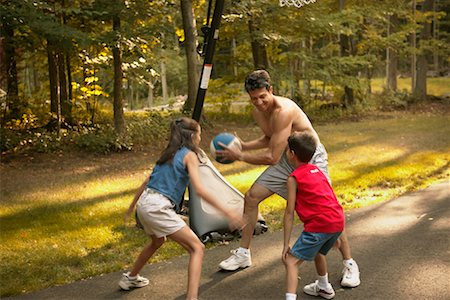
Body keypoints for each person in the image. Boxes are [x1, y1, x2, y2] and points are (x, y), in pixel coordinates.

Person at [217, 70, 360, 288]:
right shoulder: (258, 111)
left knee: (325, 210)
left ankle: (349, 263)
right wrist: (243, 145)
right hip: (286, 157)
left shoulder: (284, 110)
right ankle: (243, 253)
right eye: (253, 98)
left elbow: (271, 156)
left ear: (271, 90)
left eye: (262, 96)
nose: (259, 102)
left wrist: (239, 156)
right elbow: (270, 139)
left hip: (308, 158)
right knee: (252, 196)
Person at [119, 117, 245, 300]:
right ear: (193, 136)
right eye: (200, 134)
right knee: (197, 248)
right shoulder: (189, 155)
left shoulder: (168, 153)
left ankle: (130, 278)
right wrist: (228, 213)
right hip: (158, 207)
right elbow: (200, 189)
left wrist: (132, 207)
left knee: (157, 241)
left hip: (145, 204)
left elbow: (147, 181)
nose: (200, 138)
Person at [282, 132, 344, 300]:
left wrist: (286, 244)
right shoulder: (318, 171)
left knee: (291, 262)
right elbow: (330, 198)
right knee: (319, 253)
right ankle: (324, 287)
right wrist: (335, 233)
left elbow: (289, 213)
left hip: (320, 225)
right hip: (337, 220)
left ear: (292, 154)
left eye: (287, 150)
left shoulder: (293, 178)